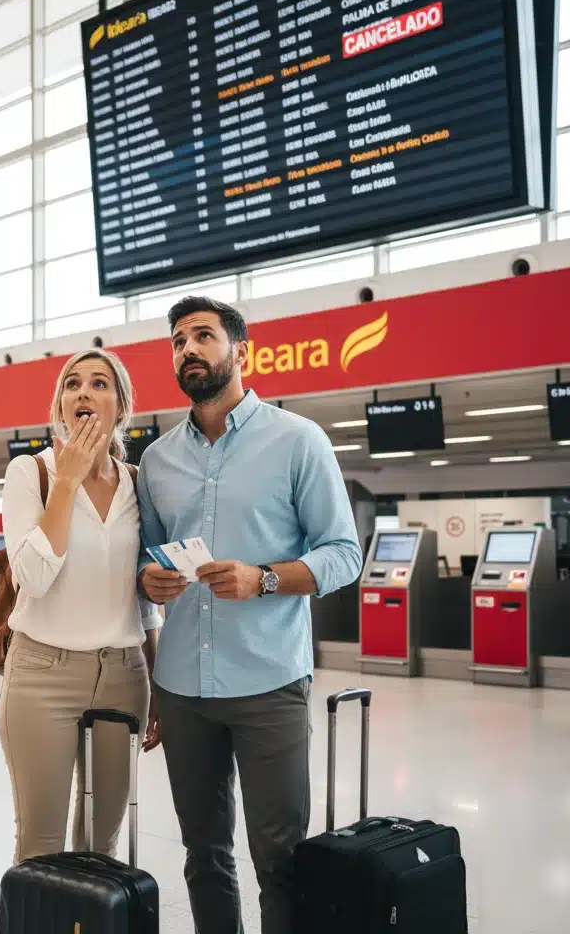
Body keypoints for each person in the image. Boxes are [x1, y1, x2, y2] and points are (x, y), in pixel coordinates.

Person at [138, 296, 363, 934]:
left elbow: (344, 554)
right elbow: (145, 561)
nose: (187, 349)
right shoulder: (157, 460)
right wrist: (148, 579)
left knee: (281, 859)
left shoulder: (297, 440)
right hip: (183, 687)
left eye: (202, 336)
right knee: (204, 855)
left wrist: (263, 578)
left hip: (269, 682)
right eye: (178, 340)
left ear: (242, 351)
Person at [0, 348, 163, 864]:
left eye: (99, 383)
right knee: (40, 848)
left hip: (124, 674)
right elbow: (32, 577)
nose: (83, 392)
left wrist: (156, 677)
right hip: (42, 673)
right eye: (72, 384)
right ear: (59, 406)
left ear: (122, 406)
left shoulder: (137, 482)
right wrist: (67, 482)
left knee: (101, 846)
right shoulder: (31, 473)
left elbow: (141, 598)